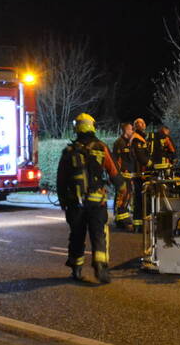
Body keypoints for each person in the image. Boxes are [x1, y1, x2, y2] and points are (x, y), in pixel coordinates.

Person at [57, 113, 125, 284]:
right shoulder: (101, 147)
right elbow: (114, 171)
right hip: (97, 201)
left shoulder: (69, 151)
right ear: (92, 126)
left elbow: (61, 179)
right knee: (99, 234)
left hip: (75, 202)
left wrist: (63, 201)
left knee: (77, 235)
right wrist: (123, 187)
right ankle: (100, 265)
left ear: (77, 128)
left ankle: (76, 268)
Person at [111, 121, 148, 232]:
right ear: (126, 130)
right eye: (131, 129)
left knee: (126, 198)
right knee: (122, 198)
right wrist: (118, 175)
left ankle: (121, 220)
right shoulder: (119, 143)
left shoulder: (129, 142)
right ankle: (121, 221)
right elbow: (116, 160)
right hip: (123, 175)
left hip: (129, 175)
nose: (132, 131)